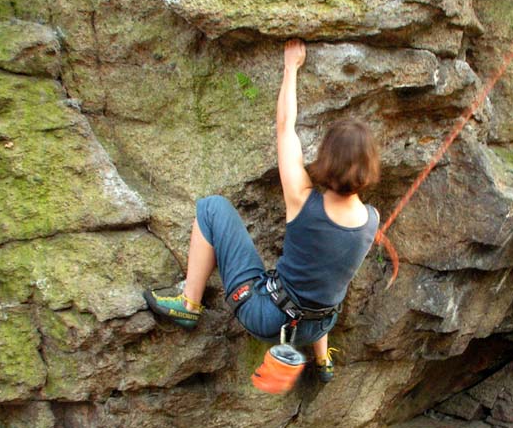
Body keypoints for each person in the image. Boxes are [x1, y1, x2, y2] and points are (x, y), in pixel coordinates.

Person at [144, 39, 380, 384]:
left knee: (212, 208)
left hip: (268, 318)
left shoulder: (302, 199)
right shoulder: (370, 220)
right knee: (328, 277)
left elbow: (285, 128)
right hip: (319, 324)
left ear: (326, 158)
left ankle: (189, 304)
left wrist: (290, 68)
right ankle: (322, 359)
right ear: (370, 167)